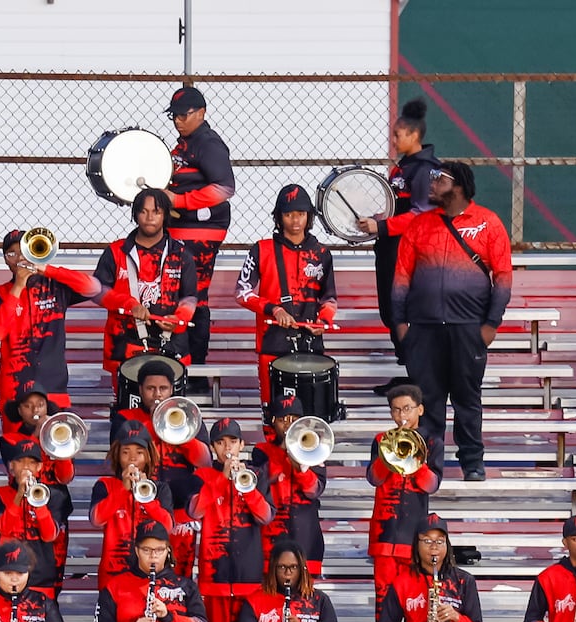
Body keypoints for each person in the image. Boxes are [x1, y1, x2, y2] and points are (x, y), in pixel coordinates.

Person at [392, 161, 512, 480]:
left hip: (468, 329)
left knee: (466, 400)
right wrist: (401, 324)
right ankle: (430, 465)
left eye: (438, 179)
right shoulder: (419, 226)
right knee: (426, 401)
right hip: (424, 329)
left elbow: (502, 277)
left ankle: (472, 462)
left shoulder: (488, 223)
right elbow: (401, 276)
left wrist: (490, 325)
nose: (430, 184)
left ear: (457, 185)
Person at [188, 417, 274, 622]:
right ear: (213, 448)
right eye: (221, 443)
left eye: (232, 442)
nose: (227, 448)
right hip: (214, 578)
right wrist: (220, 481)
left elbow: (265, 515)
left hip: (250, 581)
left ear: (242, 445)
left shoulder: (257, 477)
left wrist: (245, 487)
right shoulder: (203, 477)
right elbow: (196, 512)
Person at [236, 184, 338, 415]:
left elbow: (329, 298)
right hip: (273, 343)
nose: (295, 220)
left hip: (311, 346)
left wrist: (323, 321)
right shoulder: (261, 249)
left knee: (312, 416)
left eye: (301, 214)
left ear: (309, 216)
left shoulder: (322, 253)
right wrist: (273, 309)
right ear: (279, 217)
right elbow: (242, 292)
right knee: (274, 416)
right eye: (289, 214)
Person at [0, 229, 101, 433]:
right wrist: (19, 286)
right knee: (19, 457)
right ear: (6, 260)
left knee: (59, 453)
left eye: (23, 251)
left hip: (53, 388)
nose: (19, 258)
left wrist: (47, 269)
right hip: (15, 392)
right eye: (12, 254)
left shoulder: (55, 286)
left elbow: (93, 288)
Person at [368, 384, 444, 622]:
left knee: (415, 598)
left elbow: (432, 485)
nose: (402, 415)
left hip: (414, 536)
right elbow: (373, 479)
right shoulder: (380, 439)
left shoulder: (432, 442)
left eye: (407, 409)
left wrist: (415, 458)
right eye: (397, 409)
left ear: (420, 410)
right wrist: (389, 455)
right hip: (384, 534)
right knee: (384, 598)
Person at [358, 98, 440, 369]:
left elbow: (421, 214)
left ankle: (420, 375)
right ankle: (408, 371)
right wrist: (378, 221)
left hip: (410, 254)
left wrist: (381, 227)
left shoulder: (426, 169)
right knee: (390, 312)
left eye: (397, 134)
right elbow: (398, 208)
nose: (393, 140)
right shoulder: (402, 167)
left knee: (406, 312)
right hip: (390, 250)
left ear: (414, 135)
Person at [110, 358, 208, 576]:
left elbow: (205, 461)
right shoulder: (125, 418)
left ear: (172, 389)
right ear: (141, 390)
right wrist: (153, 424)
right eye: (151, 388)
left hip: (180, 512)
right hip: (139, 511)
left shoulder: (187, 415)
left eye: (163, 388)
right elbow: (117, 461)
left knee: (178, 579)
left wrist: (177, 430)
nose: (157, 394)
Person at [162, 86, 234, 372]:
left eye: (183, 115)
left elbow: (225, 188)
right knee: (181, 293)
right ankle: (183, 363)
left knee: (195, 295)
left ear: (201, 113)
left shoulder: (208, 143)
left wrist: (180, 200)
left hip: (201, 231)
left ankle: (197, 368)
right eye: (174, 116)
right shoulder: (184, 143)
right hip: (181, 229)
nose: (178, 120)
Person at [94, 189, 198, 375]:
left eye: (156, 212)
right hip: (125, 342)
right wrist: (128, 305)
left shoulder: (182, 255)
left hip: (171, 343)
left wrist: (179, 318)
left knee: (166, 403)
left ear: (165, 215)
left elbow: (190, 297)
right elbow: (98, 291)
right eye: (143, 211)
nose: (150, 217)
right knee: (126, 403)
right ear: (135, 214)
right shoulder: (116, 251)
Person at [88, 420, 173, 591]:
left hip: (149, 575)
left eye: (139, 452)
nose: (132, 458)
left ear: (149, 456)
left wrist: (146, 498)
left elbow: (167, 526)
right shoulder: (104, 485)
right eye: (126, 452)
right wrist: (122, 490)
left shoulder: (160, 488)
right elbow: (97, 519)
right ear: (117, 455)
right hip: (113, 573)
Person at [251, 397, 326, 576]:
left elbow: (314, 490)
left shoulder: (315, 448)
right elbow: (262, 481)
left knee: (304, 599)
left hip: (306, 536)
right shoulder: (261, 451)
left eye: (294, 419)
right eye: (282, 419)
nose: (288, 424)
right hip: (272, 537)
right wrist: (285, 452)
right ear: (273, 422)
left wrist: (301, 468)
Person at [0, 437, 72, 599]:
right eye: (20, 461)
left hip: (43, 578)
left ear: (40, 467)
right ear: (11, 467)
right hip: (10, 575)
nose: (26, 467)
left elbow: (49, 535)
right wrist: (19, 496)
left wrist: (38, 502)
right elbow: (3, 528)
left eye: (32, 462)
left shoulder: (54, 495)